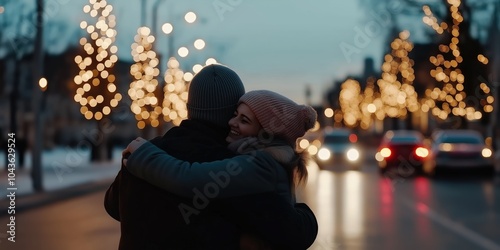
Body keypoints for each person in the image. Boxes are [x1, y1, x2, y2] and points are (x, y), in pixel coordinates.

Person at [105, 65, 317, 249]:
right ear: (229, 112)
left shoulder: (144, 152)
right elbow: (293, 232)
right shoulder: (229, 165)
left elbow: (113, 206)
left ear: (190, 107)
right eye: (236, 113)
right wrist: (304, 214)